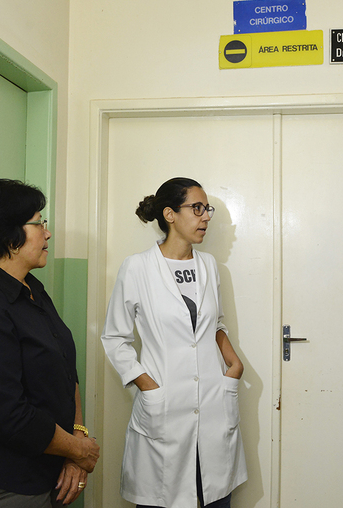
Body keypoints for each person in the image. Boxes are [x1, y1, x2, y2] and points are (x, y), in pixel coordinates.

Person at [0, 179, 100, 507]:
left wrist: (77, 436)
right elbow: (10, 415)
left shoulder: (30, 289)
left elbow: (65, 369)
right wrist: (78, 450)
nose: (47, 233)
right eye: (39, 223)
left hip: (45, 475)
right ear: (8, 236)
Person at [101, 177, 247, 508]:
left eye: (207, 209)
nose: (205, 216)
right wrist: (147, 385)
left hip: (213, 403)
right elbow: (115, 337)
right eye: (197, 208)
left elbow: (215, 324)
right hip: (164, 406)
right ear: (170, 214)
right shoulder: (137, 268)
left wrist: (234, 365)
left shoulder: (209, 266)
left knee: (214, 495)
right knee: (161, 496)